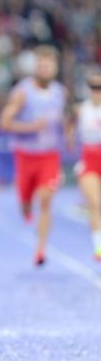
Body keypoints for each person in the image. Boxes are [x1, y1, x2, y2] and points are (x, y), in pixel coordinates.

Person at [0, 45, 67, 266]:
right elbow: (4, 123)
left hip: (50, 156)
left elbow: (61, 123)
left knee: (46, 200)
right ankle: (26, 208)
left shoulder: (60, 92)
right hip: (26, 156)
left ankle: (41, 249)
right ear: (36, 67)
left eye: (49, 66)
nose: (45, 69)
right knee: (26, 202)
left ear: (55, 68)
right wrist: (32, 127)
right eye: (42, 65)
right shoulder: (22, 92)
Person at [71, 68, 101, 259]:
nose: (96, 90)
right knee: (94, 203)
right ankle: (99, 247)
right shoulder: (81, 109)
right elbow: (72, 135)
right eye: (93, 87)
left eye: (99, 87)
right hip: (90, 159)